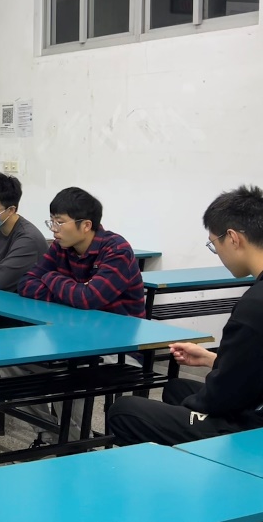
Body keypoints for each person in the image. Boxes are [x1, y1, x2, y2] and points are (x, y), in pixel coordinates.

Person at [107, 185, 263, 445]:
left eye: (214, 244)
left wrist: (191, 410)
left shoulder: (254, 306)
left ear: (233, 238)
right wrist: (213, 360)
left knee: (125, 411)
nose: (217, 253)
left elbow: (227, 395)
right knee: (176, 388)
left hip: (254, 427)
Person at [17, 186, 145, 317]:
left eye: (59, 222)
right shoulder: (60, 246)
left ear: (86, 225)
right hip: (76, 320)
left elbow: (88, 299)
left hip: (118, 326)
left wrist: (50, 277)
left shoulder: (117, 251)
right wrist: (73, 296)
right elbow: (25, 284)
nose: (53, 229)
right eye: (52, 221)